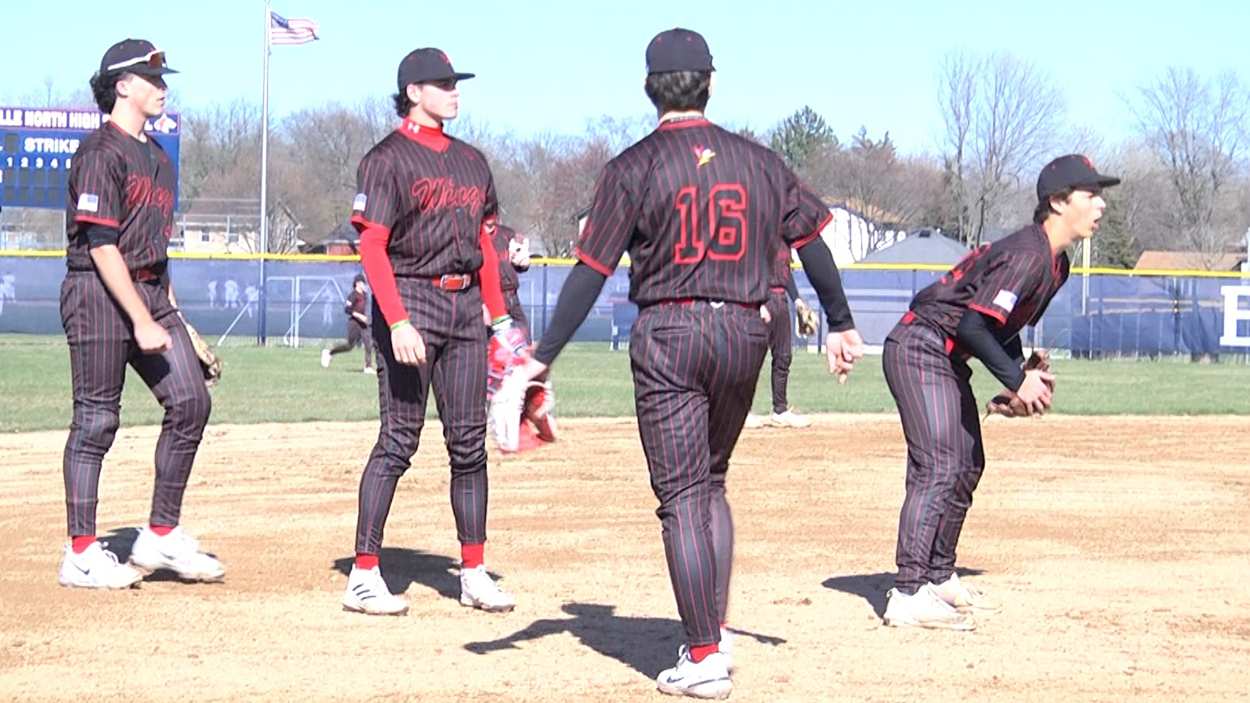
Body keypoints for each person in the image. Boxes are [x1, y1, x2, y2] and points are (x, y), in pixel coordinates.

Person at [492, 28, 863, 699]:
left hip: (669, 328)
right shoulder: (761, 160)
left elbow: (590, 272)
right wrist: (839, 321)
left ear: (647, 88)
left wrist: (540, 358)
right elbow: (812, 243)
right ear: (712, 83)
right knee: (711, 482)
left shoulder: (632, 167)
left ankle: (703, 655)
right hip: (748, 328)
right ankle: (709, 632)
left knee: (685, 493)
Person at [881, 154, 1119, 630]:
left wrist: (1016, 373)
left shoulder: (1055, 265)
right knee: (940, 464)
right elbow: (971, 325)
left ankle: (938, 575)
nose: (1101, 204)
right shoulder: (1030, 254)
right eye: (1090, 194)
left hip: (945, 354)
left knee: (968, 464)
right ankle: (908, 591)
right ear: (1057, 201)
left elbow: (994, 326)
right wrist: (1015, 379)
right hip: (919, 345)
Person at [341, 46, 522, 616]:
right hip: (412, 295)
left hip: (466, 306)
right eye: (442, 83)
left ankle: (473, 571)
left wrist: (500, 320)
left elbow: (488, 246)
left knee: (469, 446)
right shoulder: (388, 159)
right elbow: (371, 244)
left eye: (455, 83)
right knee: (399, 440)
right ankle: (364, 574)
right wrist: (394, 319)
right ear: (413, 92)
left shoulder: (472, 161)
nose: (454, 91)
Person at [58, 39, 223, 589]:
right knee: (97, 419)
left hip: (150, 292)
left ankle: (159, 533)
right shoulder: (100, 152)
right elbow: (103, 247)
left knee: (191, 401)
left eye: (162, 78)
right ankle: (81, 552)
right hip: (99, 293)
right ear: (122, 85)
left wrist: (181, 325)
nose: (162, 87)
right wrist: (142, 320)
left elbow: (155, 249)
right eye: (151, 78)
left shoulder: (157, 156)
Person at [744, 244, 818, 429]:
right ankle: (744, 411)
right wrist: (756, 301)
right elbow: (748, 271)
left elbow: (786, 274)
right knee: (751, 360)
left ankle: (780, 411)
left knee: (784, 356)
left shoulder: (784, 241)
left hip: (781, 300)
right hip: (760, 300)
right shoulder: (757, 234)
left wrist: (798, 300)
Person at [321, 274, 376, 373]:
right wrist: (359, 316)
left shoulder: (365, 295)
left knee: (368, 343)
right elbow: (347, 309)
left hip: (363, 323)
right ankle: (329, 352)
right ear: (357, 284)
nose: (364, 285)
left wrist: (367, 318)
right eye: (362, 283)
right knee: (349, 345)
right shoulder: (353, 295)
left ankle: (368, 366)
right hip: (354, 323)